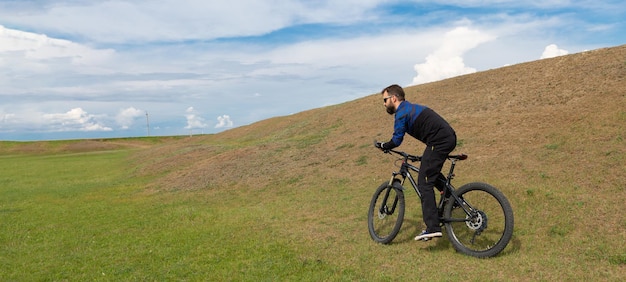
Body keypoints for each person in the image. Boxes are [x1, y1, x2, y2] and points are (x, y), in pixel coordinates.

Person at [375, 84, 457, 241]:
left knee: (424, 182)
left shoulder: (401, 113)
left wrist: (384, 146)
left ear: (393, 98)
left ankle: (432, 228)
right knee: (430, 172)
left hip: (439, 140)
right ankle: (451, 199)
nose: (384, 104)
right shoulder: (410, 108)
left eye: (385, 100)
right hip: (445, 138)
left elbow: (397, 140)